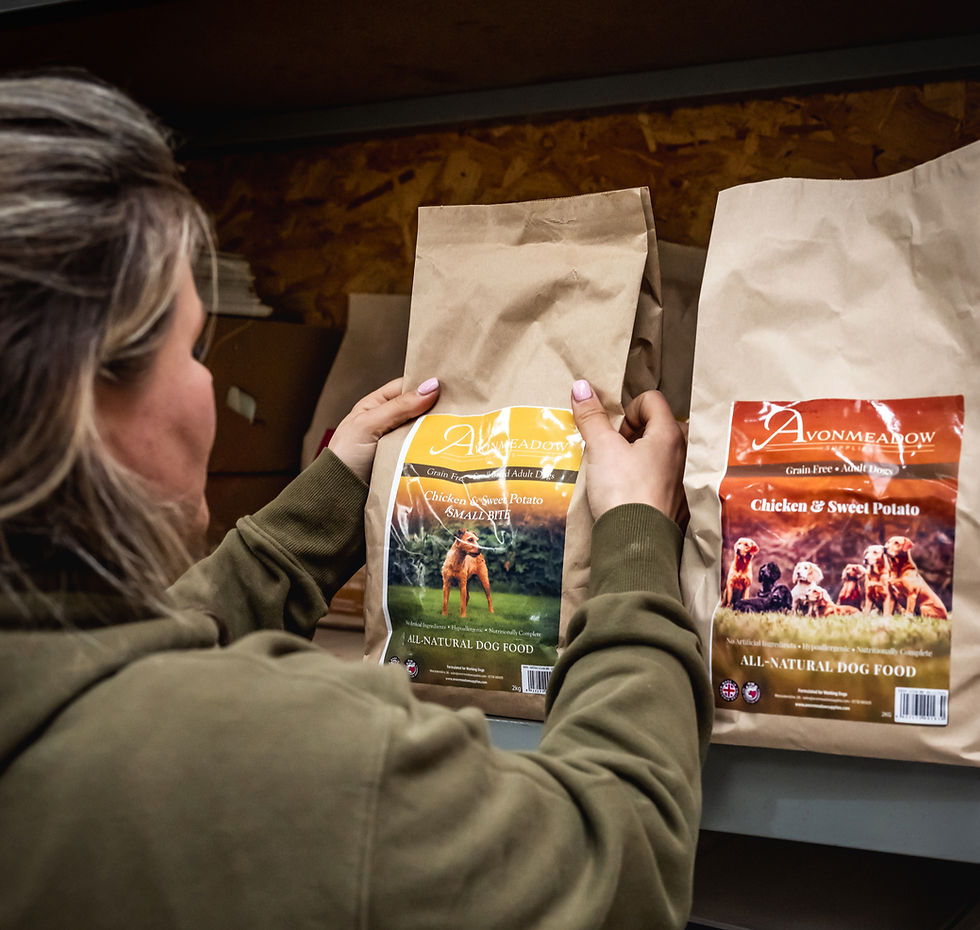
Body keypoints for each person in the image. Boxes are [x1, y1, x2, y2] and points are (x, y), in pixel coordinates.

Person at [0, 72, 712, 930]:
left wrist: (334, 491)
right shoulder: (288, 757)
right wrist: (637, 537)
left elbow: (124, 651)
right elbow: (621, 855)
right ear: (74, 396)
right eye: (190, 349)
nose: (209, 386)